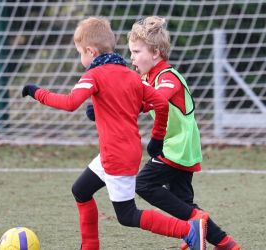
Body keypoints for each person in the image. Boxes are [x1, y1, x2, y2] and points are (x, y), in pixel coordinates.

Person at [22, 16, 207, 250]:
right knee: (81, 190)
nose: (81, 59)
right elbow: (158, 104)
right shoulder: (130, 75)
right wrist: (157, 138)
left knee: (127, 215)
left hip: (116, 157)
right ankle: (89, 246)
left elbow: (69, 103)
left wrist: (35, 92)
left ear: (90, 51)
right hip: (120, 151)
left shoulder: (94, 74)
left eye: (80, 53)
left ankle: (189, 231)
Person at [127, 16, 241, 250]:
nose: (132, 57)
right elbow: (135, 99)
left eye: (137, 51)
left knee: (143, 185)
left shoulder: (167, 77)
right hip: (180, 146)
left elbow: (156, 99)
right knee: (183, 202)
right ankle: (225, 243)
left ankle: (196, 223)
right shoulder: (147, 78)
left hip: (177, 146)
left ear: (156, 52)